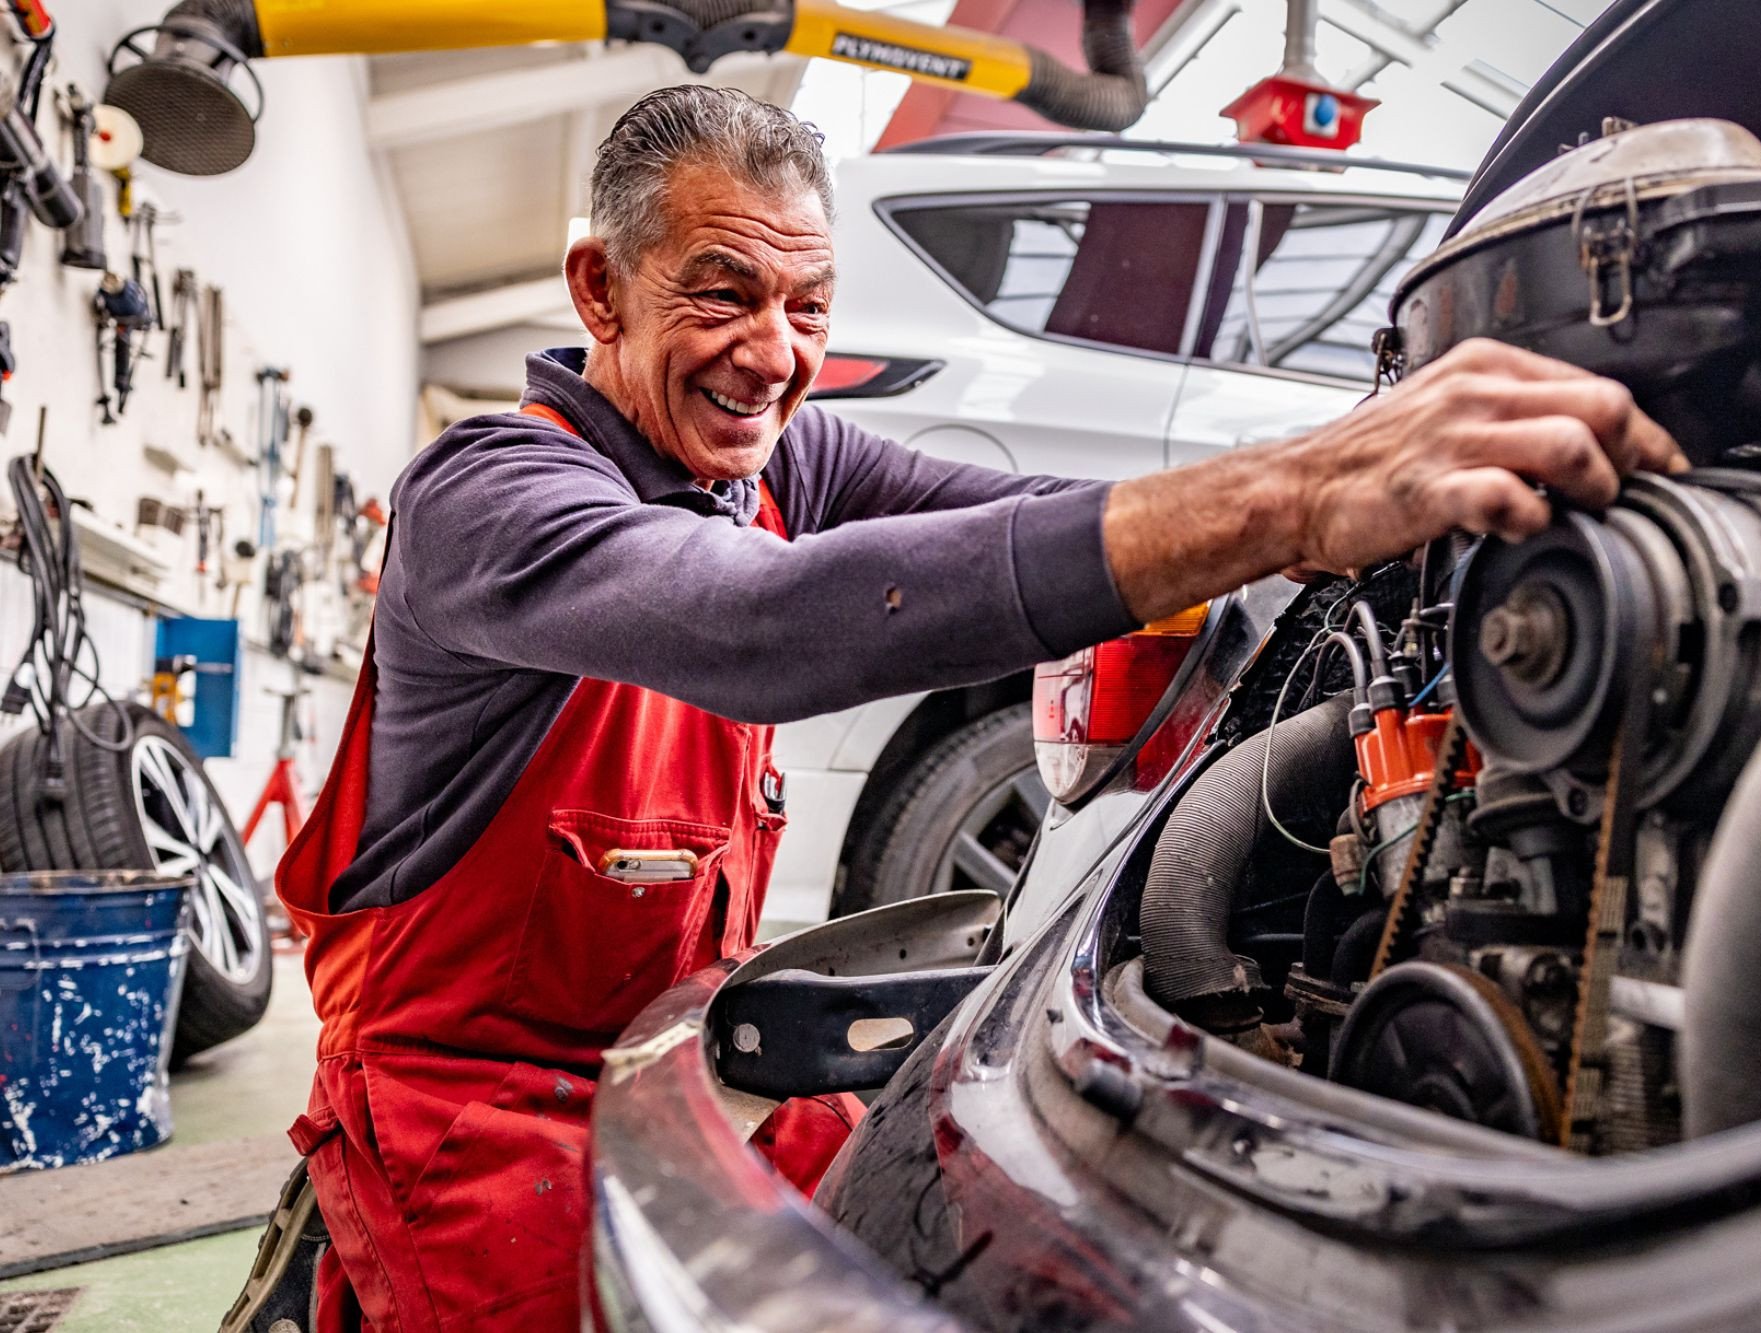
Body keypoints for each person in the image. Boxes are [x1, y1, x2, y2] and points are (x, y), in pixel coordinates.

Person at [273, 86, 1684, 1332]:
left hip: (665, 1053)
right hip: (464, 1116)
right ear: (601, 291)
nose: (773, 354)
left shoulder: (772, 463)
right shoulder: (489, 497)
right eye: (722, 293)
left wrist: (1295, 511)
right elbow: (758, 623)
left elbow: (1035, 511)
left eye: (809, 307)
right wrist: (1290, 498)